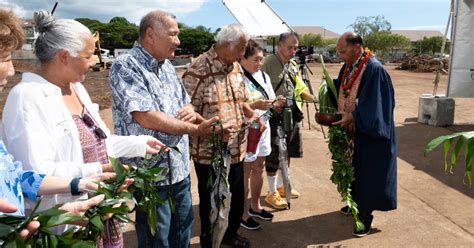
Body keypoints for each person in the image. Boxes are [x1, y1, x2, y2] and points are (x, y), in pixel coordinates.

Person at [2, 10, 165, 247]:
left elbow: (101, 141)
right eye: (88, 55)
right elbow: (35, 172)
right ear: (64, 56)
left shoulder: (77, 89)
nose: (93, 62)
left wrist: (138, 143)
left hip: (98, 212)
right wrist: (94, 172)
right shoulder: (27, 97)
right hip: (64, 225)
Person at [108, 10, 222, 248]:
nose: (178, 41)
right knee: (156, 240)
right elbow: (147, 117)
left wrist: (191, 111)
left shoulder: (168, 66)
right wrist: (196, 130)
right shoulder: (126, 66)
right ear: (150, 34)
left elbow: (184, 102)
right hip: (151, 176)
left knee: (182, 232)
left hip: (179, 171)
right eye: (173, 34)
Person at [183, 24, 263, 248]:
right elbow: (185, 110)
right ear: (225, 44)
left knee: (236, 198)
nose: (242, 53)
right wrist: (212, 127)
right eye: (240, 48)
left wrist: (253, 116)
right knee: (212, 202)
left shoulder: (236, 67)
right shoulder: (198, 69)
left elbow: (242, 100)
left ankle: (230, 235)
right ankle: (210, 242)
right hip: (210, 153)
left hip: (237, 148)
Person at [332, 32, 397, 237]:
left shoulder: (374, 69)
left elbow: (375, 105)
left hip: (370, 133)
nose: (340, 55)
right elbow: (343, 89)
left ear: (357, 46)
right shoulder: (349, 66)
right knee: (353, 170)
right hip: (353, 132)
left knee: (367, 175)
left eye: (343, 51)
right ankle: (353, 204)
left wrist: (354, 117)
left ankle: (364, 218)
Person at [261, 32, 316, 209]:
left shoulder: (292, 64)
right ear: (279, 46)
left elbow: (299, 88)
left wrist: (316, 98)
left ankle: (283, 186)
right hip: (274, 115)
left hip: (291, 114)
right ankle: (271, 192)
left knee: (289, 152)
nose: (294, 51)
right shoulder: (268, 63)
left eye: (296, 47)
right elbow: (256, 88)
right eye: (290, 47)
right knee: (274, 154)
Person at [238, 39, 285, 230]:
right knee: (245, 171)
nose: (259, 63)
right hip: (247, 130)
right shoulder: (237, 78)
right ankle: (241, 213)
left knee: (259, 166)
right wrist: (255, 106)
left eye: (261, 59)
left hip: (263, 127)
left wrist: (276, 102)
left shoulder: (264, 76)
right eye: (256, 59)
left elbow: (269, 100)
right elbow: (235, 105)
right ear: (242, 58)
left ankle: (255, 206)